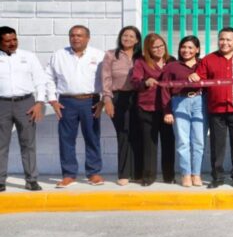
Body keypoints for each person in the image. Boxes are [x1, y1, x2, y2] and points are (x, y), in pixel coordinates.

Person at [190, 27, 233, 188]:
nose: (224, 42)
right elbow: (199, 79)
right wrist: (194, 76)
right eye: (222, 39)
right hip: (215, 110)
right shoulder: (208, 59)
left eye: (228, 39)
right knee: (217, 146)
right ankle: (217, 177)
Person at [46, 25, 105, 187]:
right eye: (72, 35)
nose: (75, 38)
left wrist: (103, 100)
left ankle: (93, 173)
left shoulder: (99, 55)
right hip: (66, 102)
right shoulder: (59, 55)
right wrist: (52, 100)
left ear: (88, 38)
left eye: (80, 35)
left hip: (91, 101)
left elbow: (107, 80)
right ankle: (69, 174)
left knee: (92, 137)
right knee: (66, 139)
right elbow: (49, 78)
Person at [0, 26, 47, 192]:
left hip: (26, 103)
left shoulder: (28, 57)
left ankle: (32, 179)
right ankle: (0, 181)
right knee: (1, 144)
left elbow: (40, 80)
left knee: (28, 143)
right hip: (2, 104)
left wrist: (39, 103)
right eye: (7, 41)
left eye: (14, 39)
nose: (12, 43)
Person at [131, 33, 175, 186]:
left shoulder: (172, 61)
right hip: (148, 107)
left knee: (168, 142)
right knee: (149, 144)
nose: (158, 49)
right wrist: (145, 81)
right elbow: (135, 81)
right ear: (148, 49)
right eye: (154, 47)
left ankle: (169, 176)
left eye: (161, 46)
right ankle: (148, 177)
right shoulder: (141, 62)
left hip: (168, 108)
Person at [160, 36, 205, 187]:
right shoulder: (172, 66)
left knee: (198, 141)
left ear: (197, 49)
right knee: (183, 141)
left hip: (200, 102)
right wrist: (167, 111)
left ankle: (196, 174)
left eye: (191, 47)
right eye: (184, 47)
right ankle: (186, 173)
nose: (186, 50)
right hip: (179, 102)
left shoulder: (203, 64)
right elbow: (165, 89)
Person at [101, 26, 141, 186]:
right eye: (125, 35)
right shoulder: (111, 55)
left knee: (138, 134)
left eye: (132, 36)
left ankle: (137, 172)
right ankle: (124, 173)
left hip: (139, 97)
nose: (128, 38)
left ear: (137, 40)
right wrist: (107, 100)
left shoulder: (142, 57)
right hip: (118, 97)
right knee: (123, 134)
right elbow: (106, 78)